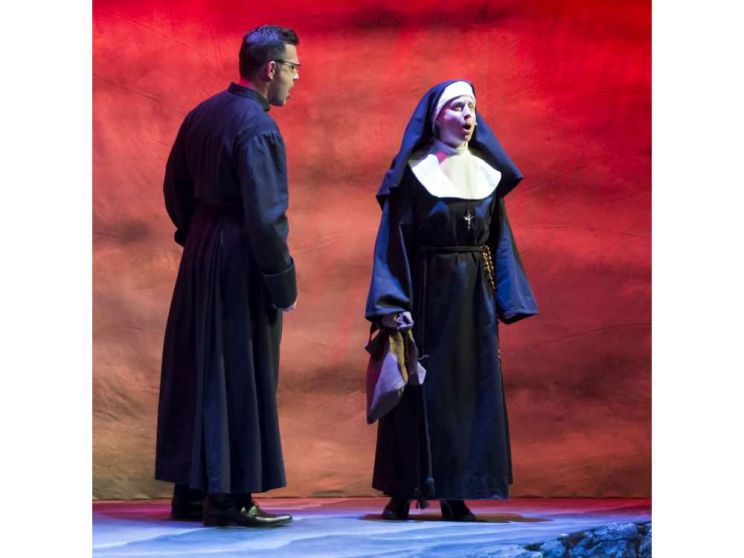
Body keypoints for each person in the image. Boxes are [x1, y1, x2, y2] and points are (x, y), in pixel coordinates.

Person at [365, 80, 538, 521]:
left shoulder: (486, 174)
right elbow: (393, 241)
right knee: (416, 391)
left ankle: (456, 491)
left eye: (472, 108)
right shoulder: (413, 172)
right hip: (424, 295)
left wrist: (507, 298)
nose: (467, 117)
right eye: (458, 108)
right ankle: (403, 490)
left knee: (464, 392)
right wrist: (391, 303)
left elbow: (499, 241)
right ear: (435, 117)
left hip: (472, 302)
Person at [155, 25, 301, 527]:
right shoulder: (259, 128)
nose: (296, 79)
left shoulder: (202, 114)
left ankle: (192, 493)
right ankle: (231, 500)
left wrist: (197, 234)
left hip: (201, 253)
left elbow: (174, 188)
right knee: (239, 368)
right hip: (240, 257)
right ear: (270, 69)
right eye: (293, 68)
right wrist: (281, 281)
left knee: (200, 369)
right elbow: (267, 217)